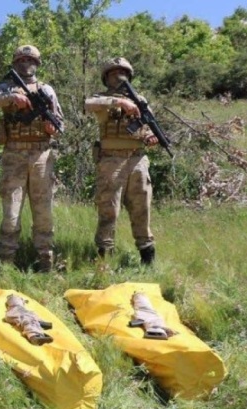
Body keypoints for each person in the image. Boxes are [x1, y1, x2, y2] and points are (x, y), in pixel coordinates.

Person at [0, 45, 63, 272]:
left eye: (31, 60)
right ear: (15, 64)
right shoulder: (5, 87)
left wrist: (51, 126)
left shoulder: (46, 90)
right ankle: (6, 263)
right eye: (22, 60)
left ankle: (46, 262)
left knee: (43, 211)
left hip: (41, 154)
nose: (26, 64)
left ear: (37, 63)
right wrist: (10, 97)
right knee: (11, 212)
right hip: (14, 154)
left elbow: (59, 122)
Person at [84, 57, 158, 265]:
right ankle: (104, 258)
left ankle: (147, 258)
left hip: (137, 159)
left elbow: (150, 124)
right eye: (114, 73)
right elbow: (88, 104)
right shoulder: (102, 99)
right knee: (109, 210)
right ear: (106, 78)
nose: (119, 76)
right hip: (111, 160)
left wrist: (151, 136)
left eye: (123, 72)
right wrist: (118, 101)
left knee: (141, 208)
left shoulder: (140, 100)